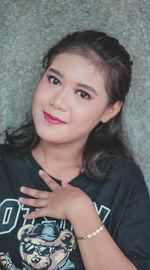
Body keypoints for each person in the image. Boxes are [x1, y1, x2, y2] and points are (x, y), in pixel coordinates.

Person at [0, 30, 150, 270]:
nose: (57, 101)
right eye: (54, 80)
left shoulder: (123, 181)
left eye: (83, 94)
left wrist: (82, 213)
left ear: (110, 110)